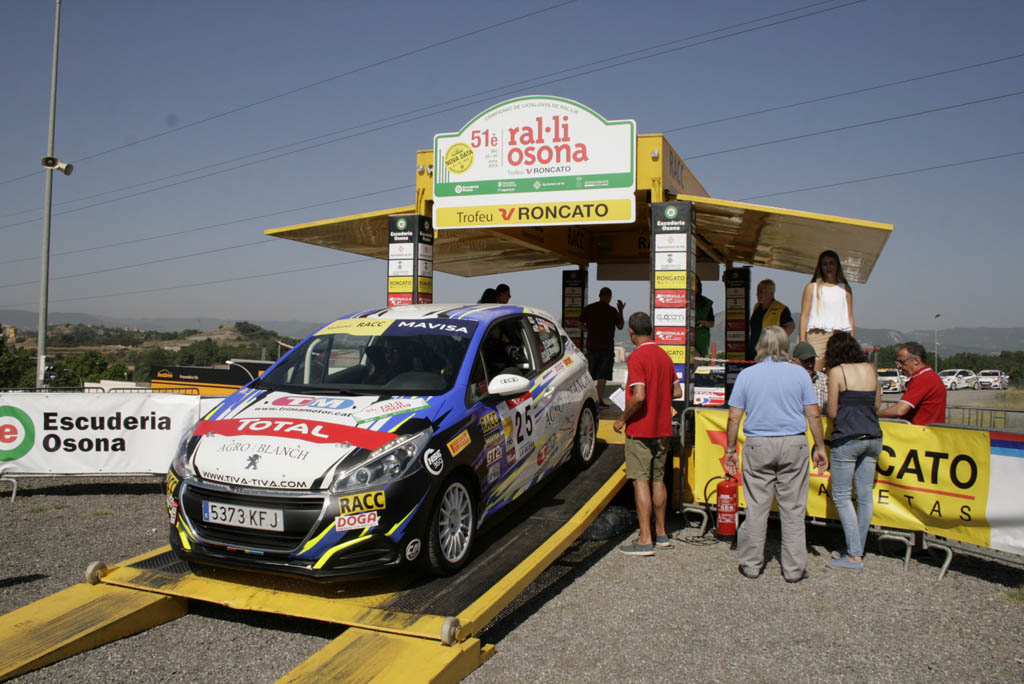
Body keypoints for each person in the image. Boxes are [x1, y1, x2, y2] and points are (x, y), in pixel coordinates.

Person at [724, 326, 828, 582]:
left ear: (760, 345)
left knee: (756, 508)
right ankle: (793, 569)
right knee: (793, 510)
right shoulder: (800, 374)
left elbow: (734, 416)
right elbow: (813, 414)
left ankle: (751, 564)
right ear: (786, 346)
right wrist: (820, 446)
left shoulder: (747, 375)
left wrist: (730, 449)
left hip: (758, 444)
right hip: (794, 443)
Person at [613, 312, 682, 556]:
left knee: (640, 480)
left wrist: (622, 418)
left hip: (640, 429)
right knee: (658, 479)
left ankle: (644, 539)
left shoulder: (636, 357)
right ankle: (661, 533)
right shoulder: (664, 356)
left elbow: (639, 395)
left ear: (631, 332)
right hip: (662, 428)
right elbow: (677, 391)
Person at [822, 331, 882, 572]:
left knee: (842, 496)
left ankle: (854, 555)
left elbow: (832, 411)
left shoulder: (837, 372)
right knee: (865, 496)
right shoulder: (870, 369)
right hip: (873, 436)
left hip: (847, 437)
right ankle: (856, 547)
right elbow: (877, 404)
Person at [799, 250, 854, 371]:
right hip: (817, 335)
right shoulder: (811, 287)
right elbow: (804, 316)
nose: (828, 267)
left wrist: (852, 341)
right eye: (824, 264)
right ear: (820, 267)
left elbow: (850, 317)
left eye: (831, 263)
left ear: (837, 265)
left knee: (837, 373)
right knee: (813, 373)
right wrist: (802, 341)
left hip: (839, 337)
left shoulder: (845, 289)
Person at [878, 341, 946, 425]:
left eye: (902, 362)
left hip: (922, 431)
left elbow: (899, 410)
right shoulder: (929, 376)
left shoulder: (923, 379)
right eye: (897, 362)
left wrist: (874, 415)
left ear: (916, 360)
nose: (899, 366)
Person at [580, 286, 625, 407]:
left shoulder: (589, 308)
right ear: (610, 297)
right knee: (602, 375)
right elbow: (620, 326)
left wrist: (589, 330)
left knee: (590, 374)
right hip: (607, 346)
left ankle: (587, 399)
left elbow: (579, 324)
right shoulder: (612, 311)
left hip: (592, 345)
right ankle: (599, 400)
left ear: (599, 296)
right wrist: (620, 310)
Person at [747, 279, 795, 361]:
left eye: (761, 292)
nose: (757, 294)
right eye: (757, 291)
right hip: (753, 352)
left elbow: (791, 326)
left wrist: (777, 341)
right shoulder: (757, 306)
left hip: (769, 353)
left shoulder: (781, 309)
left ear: (771, 293)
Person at [792, 341, 828, 410]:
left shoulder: (823, 379)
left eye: (812, 360)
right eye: (806, 361)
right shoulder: (789, 381)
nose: (810, 365)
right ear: (794, 361)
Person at [693, 276, 715, 359]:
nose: (694, 287)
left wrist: (703, 323)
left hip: (699, 341)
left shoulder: (706, 303)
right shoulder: (679, 300)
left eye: (696, 284)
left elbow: (712, 323)